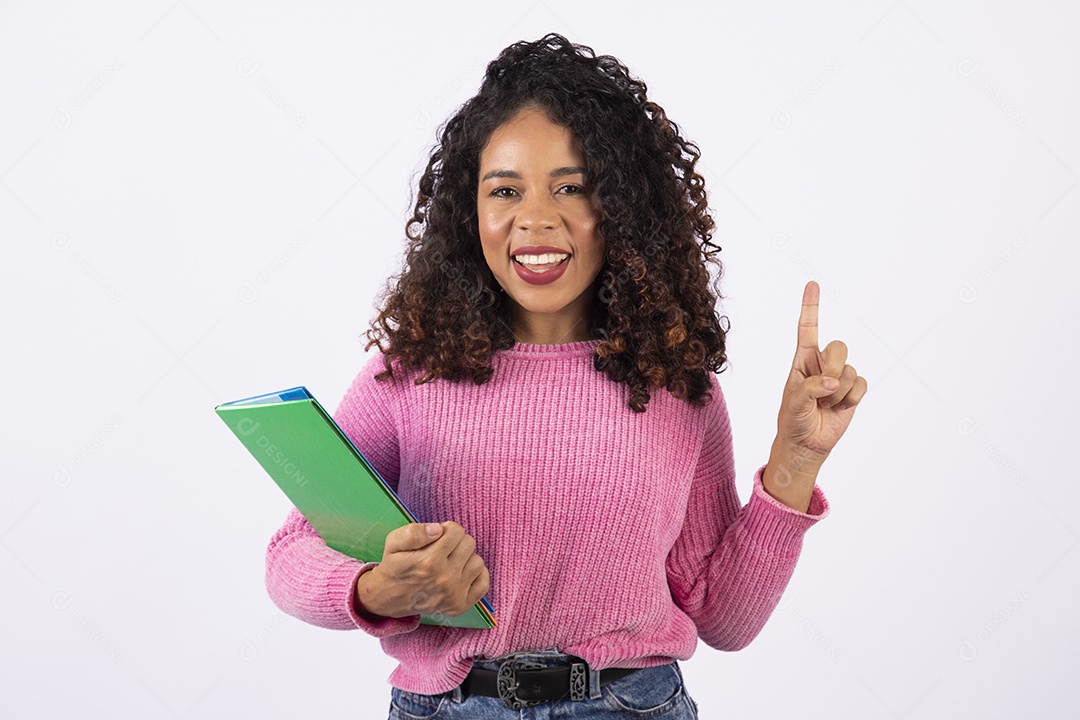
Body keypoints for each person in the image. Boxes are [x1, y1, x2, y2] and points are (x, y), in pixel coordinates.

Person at [264, 33, 867, 718]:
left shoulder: (672, 384)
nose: (536, 219)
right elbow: (291, 557)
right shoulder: (408, 375)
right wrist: (378, 589)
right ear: (471, 213)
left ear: (620, 210)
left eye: (572, 188)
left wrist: (796, 461)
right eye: (505, 190)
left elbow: (724, 618)